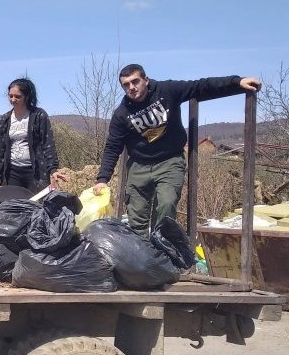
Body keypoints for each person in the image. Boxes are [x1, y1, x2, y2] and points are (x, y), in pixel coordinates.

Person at [93, 64, 261, 234]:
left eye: (135, 81)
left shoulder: (167, 91)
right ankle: (143, 257)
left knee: (165, 206)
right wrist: (102, 179)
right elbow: (113, 146)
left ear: (145, 79)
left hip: (169, 161)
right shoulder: (122, 114)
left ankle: (162, 251)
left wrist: (236, 82)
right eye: (126, 85)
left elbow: (200, 86)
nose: (131, 87)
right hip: (139, 165)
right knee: (136, 219)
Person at [0, 78, 60, 192]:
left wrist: (53, 169)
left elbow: (47, 144)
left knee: (36, 206)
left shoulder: (39, 116)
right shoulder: (4, 120)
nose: (13, 99)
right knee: (13, 207)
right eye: (10, 96)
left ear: (27, 97)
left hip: (35, 173)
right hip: (12, 173)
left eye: (17, 96)